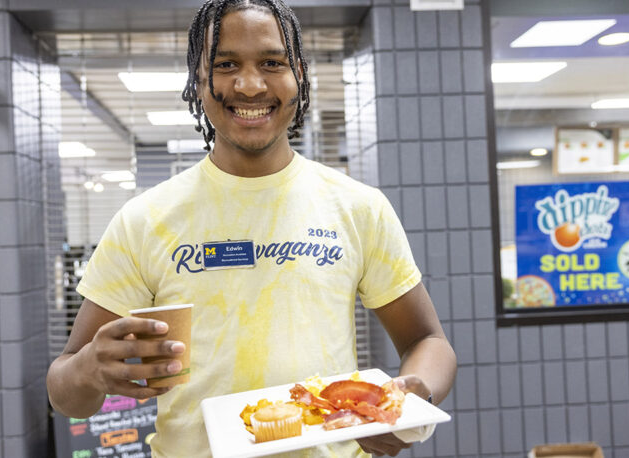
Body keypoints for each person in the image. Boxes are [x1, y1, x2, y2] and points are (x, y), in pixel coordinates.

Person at [46, 0, 457, 456]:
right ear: (198, 80)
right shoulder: (145, 220)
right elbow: (66, 393)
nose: (249, 84)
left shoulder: (358, 208)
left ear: (298, 73)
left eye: (271, 62)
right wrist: (89, 368)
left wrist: (412, 397)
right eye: (225, 64)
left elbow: (428, 340)